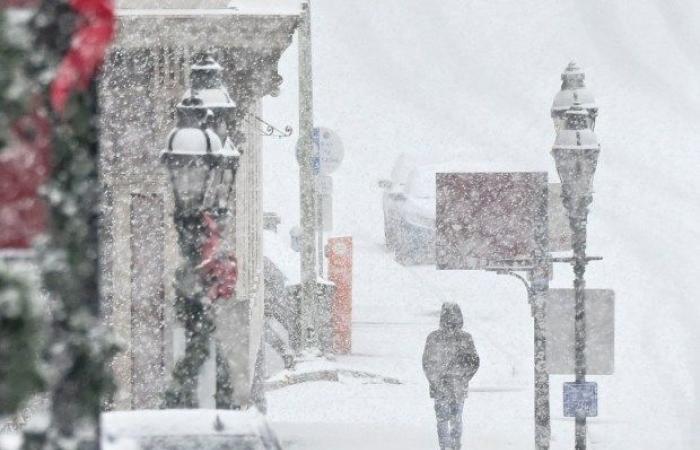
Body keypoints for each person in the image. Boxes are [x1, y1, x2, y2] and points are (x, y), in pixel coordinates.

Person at [422, 302, 480, 450]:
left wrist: (435, 380)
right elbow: (474, 362)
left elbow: (427, 363)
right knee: (456, 418)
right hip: (457, 385)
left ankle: (446, 447)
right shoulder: (465, 338)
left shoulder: (434, 337)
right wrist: (463, 377)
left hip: (441, 386)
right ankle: (454, 446)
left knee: (443, 420)